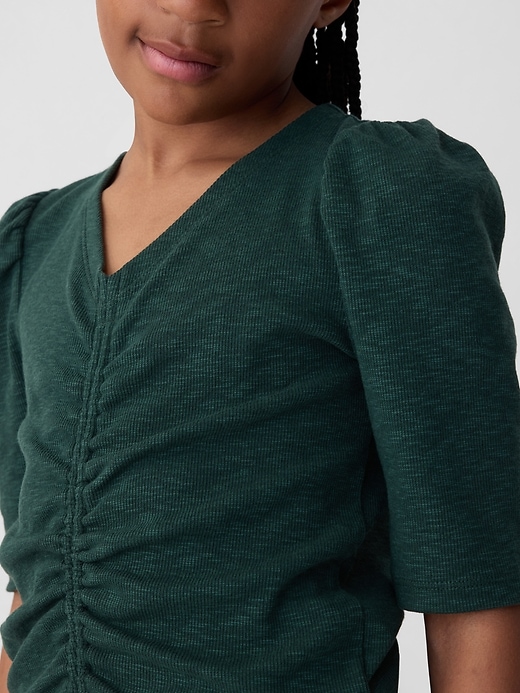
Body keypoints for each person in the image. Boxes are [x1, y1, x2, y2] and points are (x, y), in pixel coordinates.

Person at [0, 0, 519, 691]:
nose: (191, 5)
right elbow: (35, 587)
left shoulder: (377, 197)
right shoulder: (34, 245)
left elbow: (476, 583)